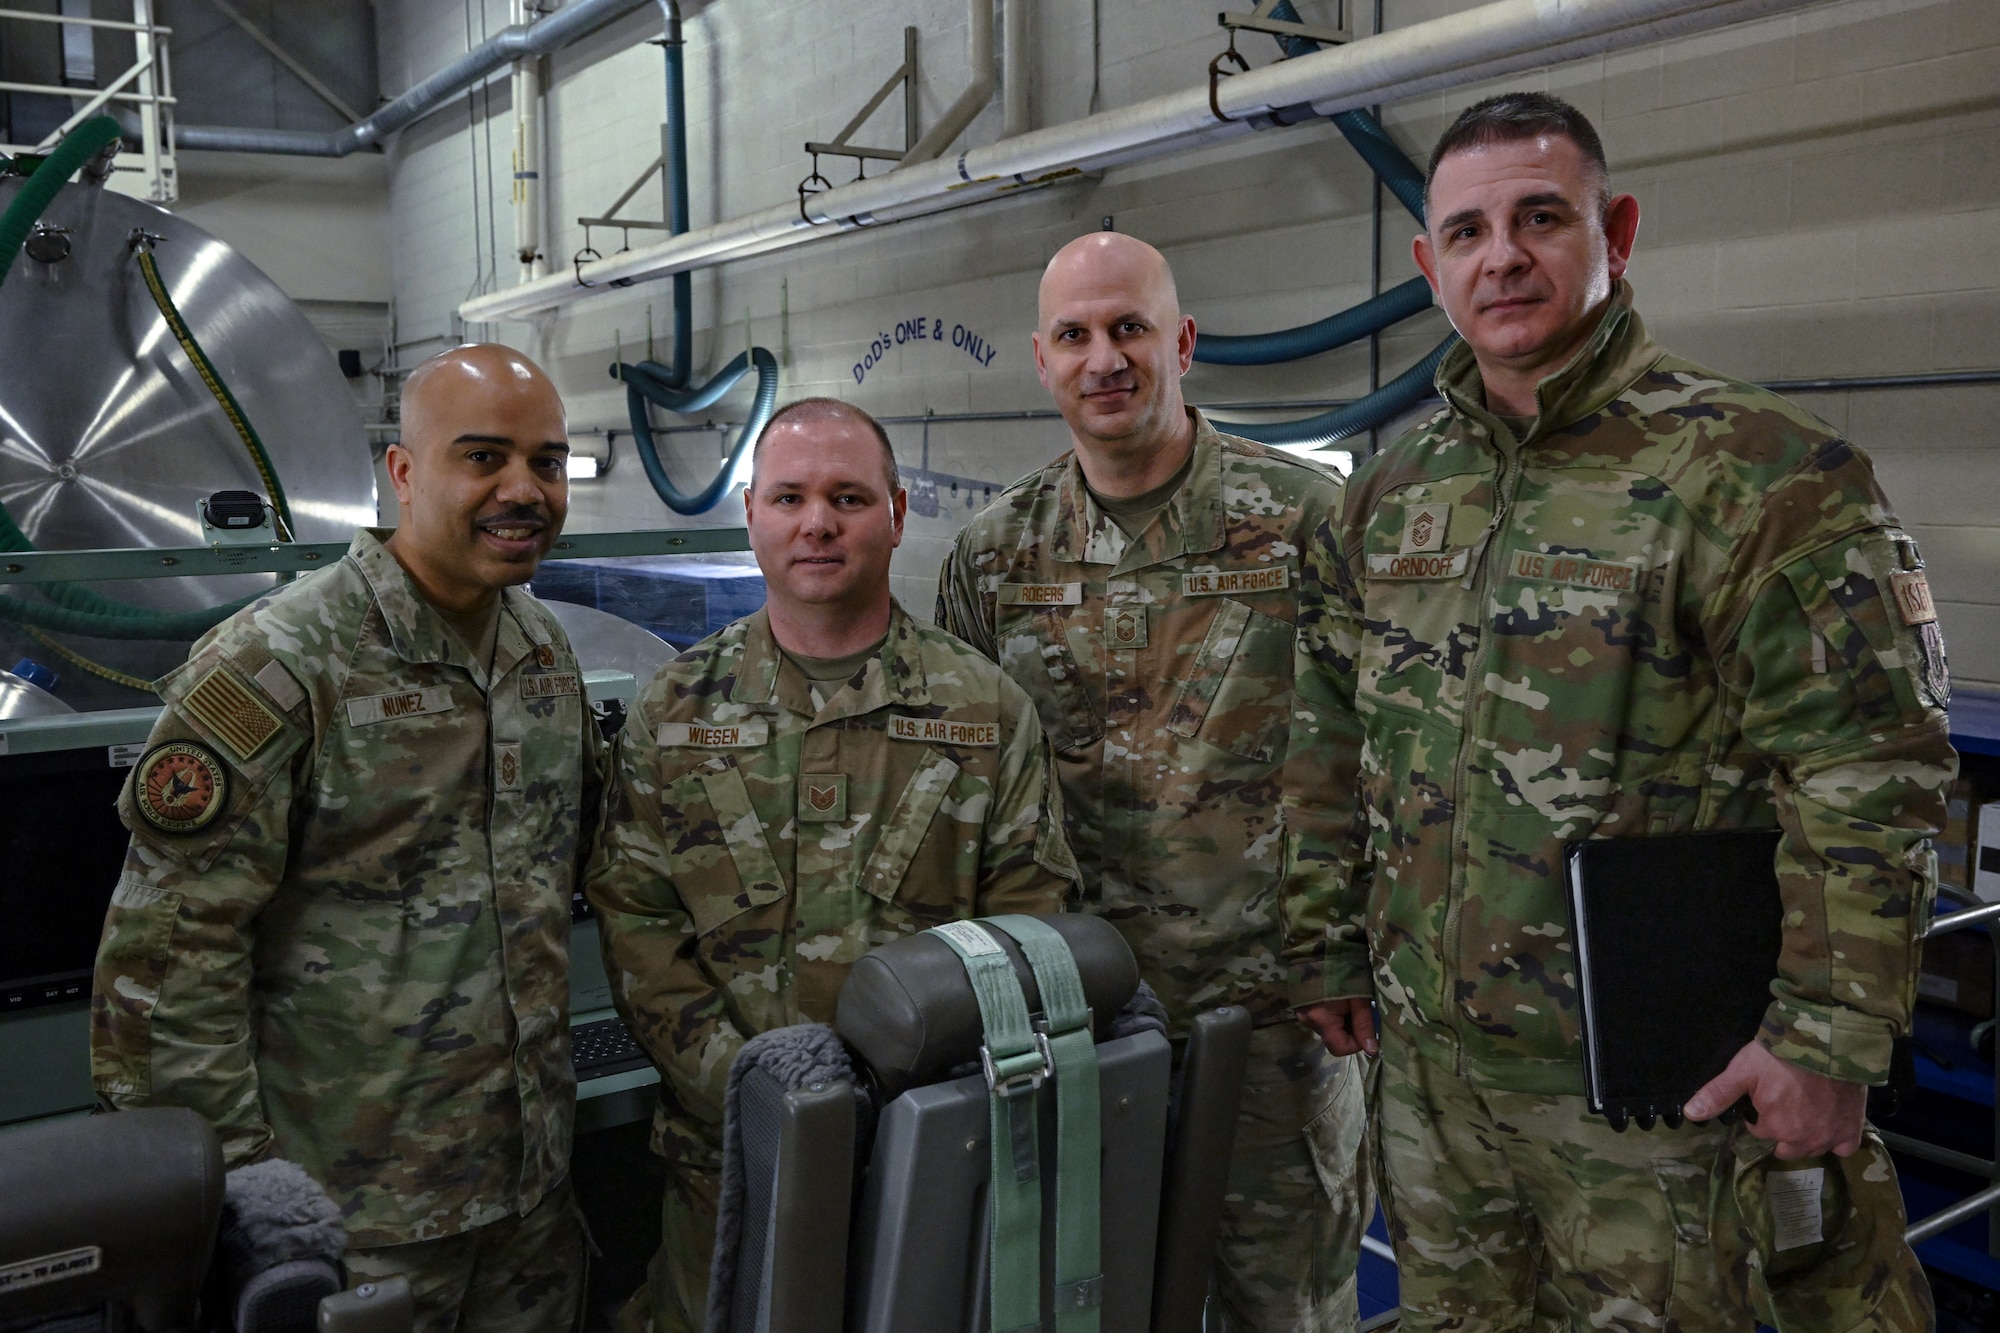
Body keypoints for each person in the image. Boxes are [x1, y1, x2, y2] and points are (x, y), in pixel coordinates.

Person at [1286, 91, 1950, 1330]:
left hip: (1658, 1097)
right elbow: (1330, 730)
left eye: (1541, 217)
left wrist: (1825, 1038)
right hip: (1436, 1084)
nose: (1505, 257)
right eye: (1470, 233)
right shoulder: (1384, 497)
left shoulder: (1757, 474)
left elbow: (1870, 765)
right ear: (1429, 266)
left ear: (1616, 231)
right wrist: (1325, 940)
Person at [91, 344, 601, 1333]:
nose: (522, 489)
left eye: (546, 462)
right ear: (402, 473)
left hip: (526, 1199)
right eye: (483, 457)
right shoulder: (280, 666)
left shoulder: (541, 652)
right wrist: (244, 1196)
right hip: (348, 1220)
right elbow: (166, 964)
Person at [938, 232, 1369, 1331]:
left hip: (1273, 1020)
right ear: (1041, 360)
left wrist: (1351, 951)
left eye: (1128, 327)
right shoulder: (995, 558)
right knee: (1091, 1300)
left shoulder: (1307, 520)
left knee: (1286, 1307)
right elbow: (964, 795)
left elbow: (1378, 747)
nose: (1103, 359)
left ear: (1180, 342)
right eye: (1074, 336)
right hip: (1074, 1028)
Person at [587, 397, 1076, 1333]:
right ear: (752, 514)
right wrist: (753, 1093)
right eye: (791, 497)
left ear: (896, 514)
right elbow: (636, 924)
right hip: (726, 1169)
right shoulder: (677, 709)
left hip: (924, 1164)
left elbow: (1026, 935)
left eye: (848, 497)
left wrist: (896, 1106)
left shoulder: (985, 714)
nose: (817, 522)